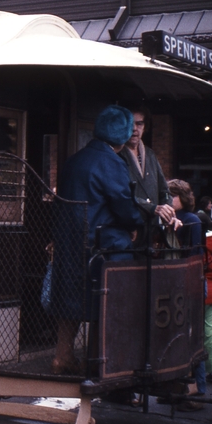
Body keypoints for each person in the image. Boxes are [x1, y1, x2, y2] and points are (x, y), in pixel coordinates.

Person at [51, 105, 144, 374]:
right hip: (103, 244)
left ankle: (62, 356)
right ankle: (102, 364)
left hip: (71, 239)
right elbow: (122, 204)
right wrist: (134, 223)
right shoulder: (112, 161)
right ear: (124, 134)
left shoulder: (75, 159)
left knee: (70, 300)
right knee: (109, 304)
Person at [168, 180, 208, 407]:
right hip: (179, 284)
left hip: (191, 283)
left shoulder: (190, 220)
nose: (168, 200)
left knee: (193, 335)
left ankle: (199, 386)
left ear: (182, 197)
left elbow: (191, 255)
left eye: (171, 196)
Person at [118, 106, 176, 228]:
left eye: (139, 124)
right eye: (130, 123)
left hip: (151, 229)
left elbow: (164, 191)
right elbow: (120, 194)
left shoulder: (150, 154)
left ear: (145, 126)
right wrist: (152, 208)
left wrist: (169, 213)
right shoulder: (117, 154)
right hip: (128, 227)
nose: (134, 129)